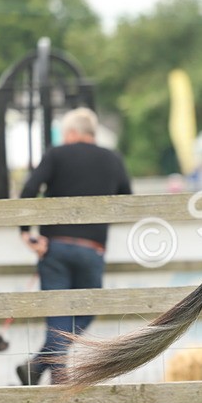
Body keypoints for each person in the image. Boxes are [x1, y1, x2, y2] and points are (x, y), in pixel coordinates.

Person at [17, 108, 131, 385]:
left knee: (58, 309)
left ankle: (42, 365)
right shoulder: (111, 159)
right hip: (92, 248)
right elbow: (127, 197)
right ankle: (55, 372)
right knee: (88, 306)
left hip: (55, 247)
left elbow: (28, 191)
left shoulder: (56, 154)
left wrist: (26, 233)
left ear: (70, 133)